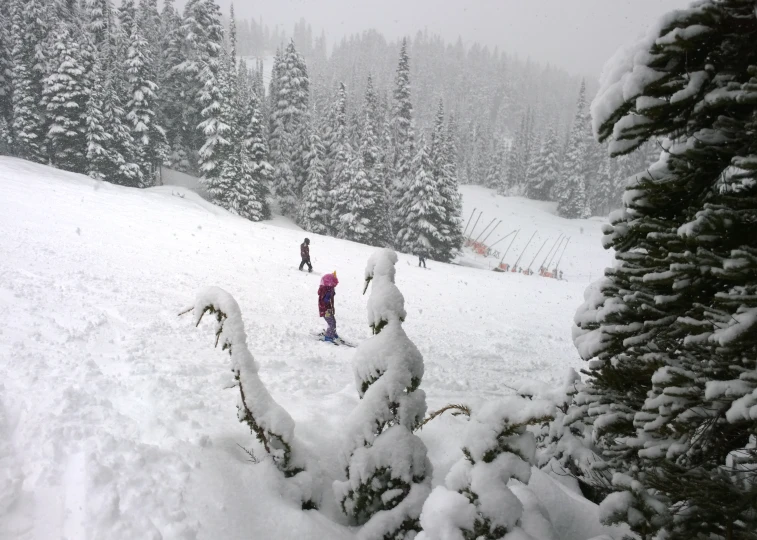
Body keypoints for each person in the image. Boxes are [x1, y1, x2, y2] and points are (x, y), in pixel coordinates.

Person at [318, 271, 339, 341]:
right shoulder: (326, 290)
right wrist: (328, 295)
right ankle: (328, 337)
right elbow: (325, 301)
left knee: (333, 321)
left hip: (328, 309)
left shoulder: (329, 288)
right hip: (325, 309)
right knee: (331, 322)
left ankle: (332, 332)